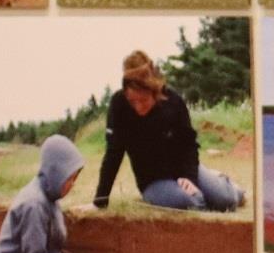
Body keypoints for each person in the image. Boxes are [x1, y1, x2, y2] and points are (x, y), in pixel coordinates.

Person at [95, 51, 245, 213]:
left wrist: (189, 178)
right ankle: (198, 191)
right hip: (154, 181)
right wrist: (100, 201)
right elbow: (113, 154)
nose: (138, 107)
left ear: (155, 91)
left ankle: (226, 186)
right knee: (195, 202)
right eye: (133, 101)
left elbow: (188, 144)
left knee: (226, 202)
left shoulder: (173, 101)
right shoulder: (119, 106)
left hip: (183, 169)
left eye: (143, 100)